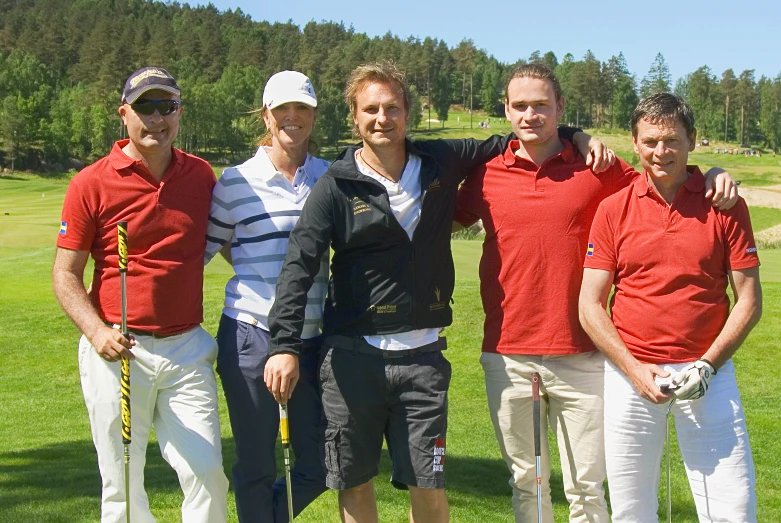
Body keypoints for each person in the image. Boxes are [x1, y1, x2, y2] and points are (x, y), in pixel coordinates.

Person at [264, 61, 602, 523]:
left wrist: (578, 135)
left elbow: (521, 134)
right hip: (350, 359)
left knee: (428, 486)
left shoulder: (441, 160)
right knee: (356, 483)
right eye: (371, 109)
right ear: (354, 117)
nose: (382, 118)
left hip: (423, 361)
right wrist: (283, 345)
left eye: (392, 108)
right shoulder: (335, 185)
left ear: (408, 114)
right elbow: (299, 266)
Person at [452, 64, 738, 523]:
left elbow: (661, 175)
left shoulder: (597, 167)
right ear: (505, 110)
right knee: (528, 484)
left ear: (560, 109)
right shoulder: (486, 175)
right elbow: (438, 226)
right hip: (506, 354)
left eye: (542, 105)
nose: (531, 115)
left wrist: (713, 172)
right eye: (520, 106)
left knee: (587, 488)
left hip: (582, 355)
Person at [52, 67, 228, 522]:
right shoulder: (90, 182)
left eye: (166, 106)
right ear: (124, 113)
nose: (156, 118)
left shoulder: (201, 175)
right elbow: (65, 274)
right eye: (145, 106)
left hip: (187, 348)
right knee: (122, 485)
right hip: (117, 350)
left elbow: (232, 246)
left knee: (207, 472)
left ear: (179, 112)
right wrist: (96, 332)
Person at [579, 93, 761, 522]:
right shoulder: (613, 209)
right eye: (650, 141)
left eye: (672, 140)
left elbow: (749, 301)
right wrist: (633, 369)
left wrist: (708, 366)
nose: (661, 151)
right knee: (631, 510)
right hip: (631, 375)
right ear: (635, 143)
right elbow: (590, 304)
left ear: (692, 140)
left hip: (708, 373)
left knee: (732, 507)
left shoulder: (725, 205)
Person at [204, 71, 328, 522]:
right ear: (266, 116)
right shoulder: (235, 182)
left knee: (318, 467)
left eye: (302, 109)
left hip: (314, 340)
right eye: (283, 110)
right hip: (250, 337)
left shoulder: (329, 177)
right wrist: (256, 274)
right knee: (257, 465)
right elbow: (211, 246)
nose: (292, 118)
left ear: (314, 115)